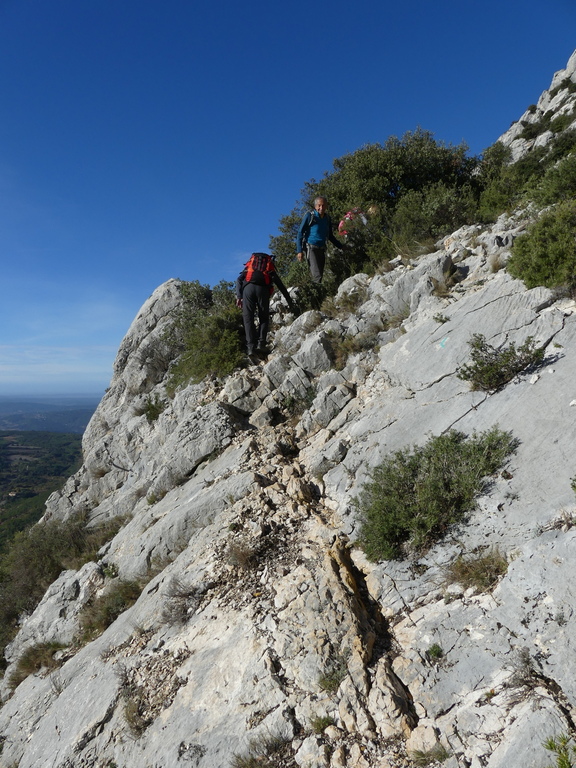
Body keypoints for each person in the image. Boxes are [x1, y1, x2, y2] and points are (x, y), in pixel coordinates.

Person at [236, 252, 294, 359]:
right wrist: (290, 302)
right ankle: (261, 344)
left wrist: (239, 296)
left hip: (248, 289)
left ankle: (250, 348)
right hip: (262, 290)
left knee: (248, 318)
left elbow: (239, 280)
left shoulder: (249, 269)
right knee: (263, 317)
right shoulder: (269, 270)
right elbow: (281, 286)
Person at [296, 196, 346, 283]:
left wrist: (341, 246)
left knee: (320, 275)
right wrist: (299, 251)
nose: (321, 208)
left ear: (326, 206)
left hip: (322, 248)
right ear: (315, 206)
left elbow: (330, 236)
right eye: (319, 205)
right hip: (310, 248)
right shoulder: (310, 216)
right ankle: (315, 294)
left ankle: (316, 292)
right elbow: (300, 233)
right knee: (317, 275)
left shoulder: (327, 219)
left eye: (323, 205)